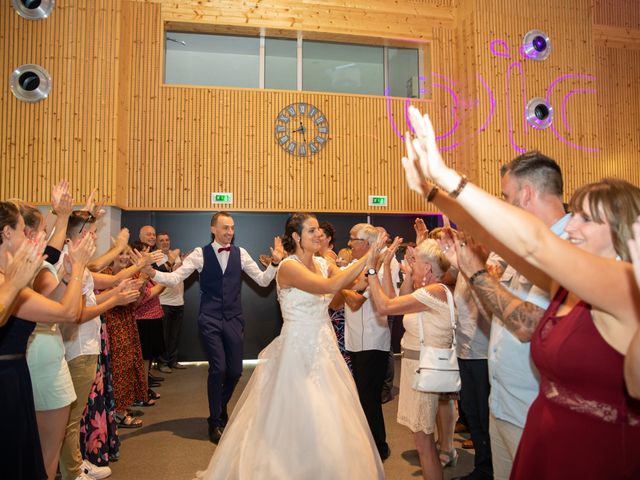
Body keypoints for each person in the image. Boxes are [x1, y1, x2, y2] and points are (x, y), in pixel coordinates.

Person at [401, 106, 640, 479]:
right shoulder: (568, 285)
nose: (572, 225)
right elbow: (500, 240)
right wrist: (433, 193)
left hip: (587, 451)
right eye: (574, 214)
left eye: (586, 219)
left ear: (623, 231)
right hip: (538, 426)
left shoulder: (622, 287)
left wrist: (448, 176)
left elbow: (534, 246)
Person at [194, 213, 385, 479]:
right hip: (297, 350)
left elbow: (353, 285)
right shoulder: (288, 267)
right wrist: (368, 255)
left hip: (325, 347)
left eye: (319, 230)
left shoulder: (322, 262)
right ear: (296, 236)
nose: (319, 235)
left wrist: (374, 263)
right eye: (312, 231)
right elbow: (331, 286)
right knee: (299, 414)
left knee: (331, 416)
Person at [144, 211, 284, 443]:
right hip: (209, 319)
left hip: (234, 319)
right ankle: (214, 420)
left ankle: (220, 407)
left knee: (236, 371)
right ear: (213, 229)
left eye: (232, 228)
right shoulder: (200, 254)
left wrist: (275, 263)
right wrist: (153, 273)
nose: (230, 232)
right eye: (225, 227)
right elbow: (174, 278)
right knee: (218, 368)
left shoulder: (241, 254)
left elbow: (263, 280)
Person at [366, 238, 456, 480]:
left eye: (415, 262)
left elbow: (384, 306)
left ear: (427, 268)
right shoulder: (425, 292)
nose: (410, 265)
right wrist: (386, 267)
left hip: (423, 370)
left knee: (423, 441)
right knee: (421, 439)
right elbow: (394, 299)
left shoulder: (433, 292)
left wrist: (371, 268)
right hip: (415, 368)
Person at [342, 222, 399, 461]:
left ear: (365, 243)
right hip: (357, 340)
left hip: (372, 340)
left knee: (370, 398)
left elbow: (356, 300)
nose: (348, 243)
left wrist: (339, 285)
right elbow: (348, 295)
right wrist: (345, 285)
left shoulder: (379, 264)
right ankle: (367, 443)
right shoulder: (359, 264)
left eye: (352, 238)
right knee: (362, 396)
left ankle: (379, 446)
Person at [156, 232, 186, 372]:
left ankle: (173, 360)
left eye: (167, 240)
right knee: (163, 335)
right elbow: (166, 273)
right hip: (164, 301)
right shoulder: (156, 257)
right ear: (157, 243)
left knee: (175, 334)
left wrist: (184, 262)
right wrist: (174, 261)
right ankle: (161, 363)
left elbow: (180, 273)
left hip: (178, 301)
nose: (165, 242)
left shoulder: (176, 255)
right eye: (161, 240)